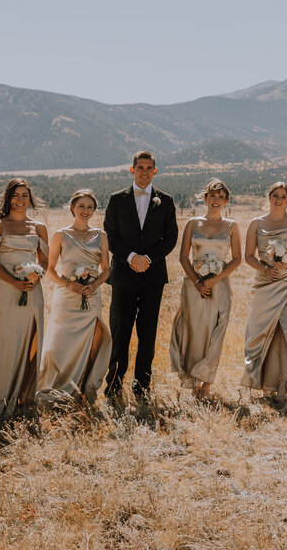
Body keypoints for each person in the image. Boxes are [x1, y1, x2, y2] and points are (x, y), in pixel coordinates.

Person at [103, 151, 179, 402]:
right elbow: (110, 236)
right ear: (132, 170)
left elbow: (170, 238)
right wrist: (131, 257)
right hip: (123, 277)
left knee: (148, 335)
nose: (144, 172)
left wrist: (148, 259)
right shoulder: (116, 199)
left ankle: (142, 387)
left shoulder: (165, 201)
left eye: (149, 168)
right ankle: (113, 386)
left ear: (155, 171)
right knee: (120, 332)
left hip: (152, 276)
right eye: (140, 167)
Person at [0, 178, 48, 416]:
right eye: (16, 195)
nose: (20, 200)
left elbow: (44, 259)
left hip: (31, 291)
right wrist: (14, 281)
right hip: (4, 292)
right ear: (8, 198)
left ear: (30, 199)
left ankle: (23, 397)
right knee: (1, 340)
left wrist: (36, 277)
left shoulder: (39, 227)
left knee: (28, 339)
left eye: (25, 195)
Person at [37, 189, 111, 406]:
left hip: (91, 296)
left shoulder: (101, 235)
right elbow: (49, 269)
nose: (85, 211)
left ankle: (83, 389)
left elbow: (106, 268)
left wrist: (95, 284)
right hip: (66, 298)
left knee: (88, 343)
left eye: (90, 207)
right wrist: (69, 284)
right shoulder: (61, 234)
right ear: (72, 208)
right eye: (81, 206)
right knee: (61, 343)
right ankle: (57, 389)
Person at [171, 179, 240, 400]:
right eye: (212, 195)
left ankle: (207, 384)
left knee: (215, 333)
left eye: (221, 196)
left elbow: (237, 259)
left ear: (226, 200)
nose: (216, 200)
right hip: (193, 286)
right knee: (194, 332)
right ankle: (192, 383)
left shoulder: (231, 226)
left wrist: (215, 279)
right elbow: (183, 257)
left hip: (220, 287)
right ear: (205, 198)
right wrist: (198, 282)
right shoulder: (193, 224)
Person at [240, 181, 287, 398]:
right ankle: (257, 381)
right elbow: (249, 256)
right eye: (275, 195)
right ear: (268, 197)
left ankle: (280, 386)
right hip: (264, 283)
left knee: (284, 333)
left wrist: (286, 263)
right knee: (258, 332)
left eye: (283, 197)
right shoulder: (256, 224)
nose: (278, 200)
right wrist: (266, 269)